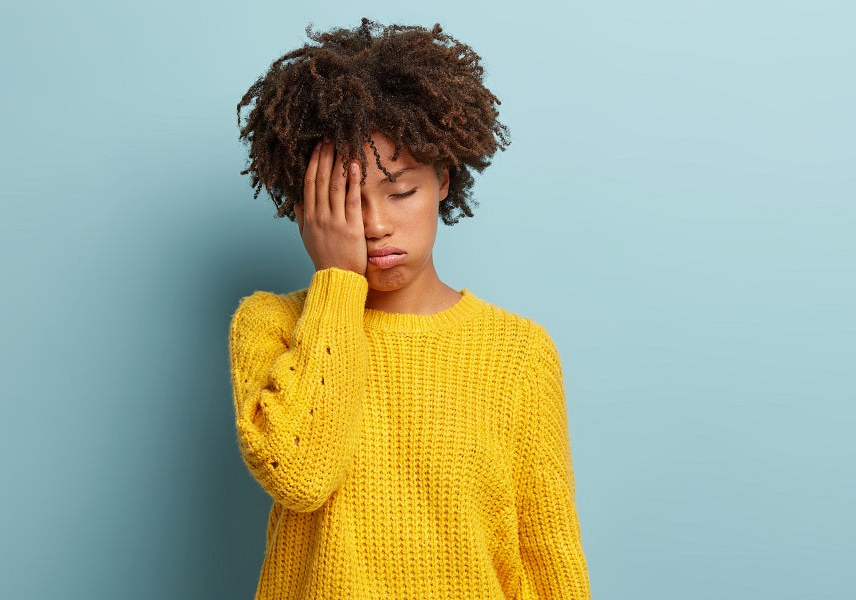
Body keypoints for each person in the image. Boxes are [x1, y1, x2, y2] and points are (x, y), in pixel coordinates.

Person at [229, 18, 590, 599]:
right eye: (345, 203)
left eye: (400, 192)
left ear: (443, 180)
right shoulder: (271, 324)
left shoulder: (519, 353)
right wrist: (337, 284)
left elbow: (547, 556)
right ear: (305, 208)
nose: (374, 225)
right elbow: (299, 474)